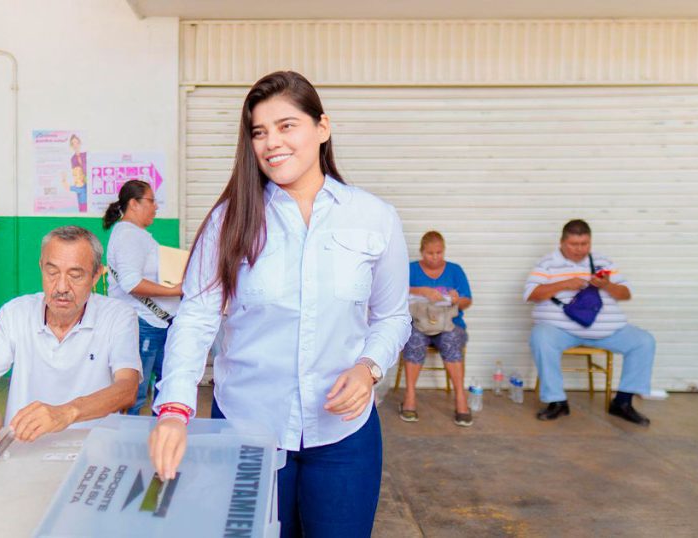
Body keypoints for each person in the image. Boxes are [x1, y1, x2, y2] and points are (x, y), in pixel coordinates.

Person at [148, 71, 411, 537]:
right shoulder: (229, 221)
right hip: (249, 429)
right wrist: (174, 407)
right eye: (259, 131)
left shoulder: (374, 217)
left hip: (344, 436)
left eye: (287, 125)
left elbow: (392, 316)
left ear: (322, 128)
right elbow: (196, 319)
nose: (272, 142)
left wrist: (369, 367)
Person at [0, 226, 141, 444]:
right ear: (41, 267)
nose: (61, 286)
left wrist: (67, 413)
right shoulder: (14, 313)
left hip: (93, 447)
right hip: (24, 446)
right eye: (52, 273)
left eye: (75, 275)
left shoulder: (118, 316)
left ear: (96, 275)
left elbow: (127, 388)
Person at [525, 219, 656, 425]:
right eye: (574, 244)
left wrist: (607, 285)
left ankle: (623, 402)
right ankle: (557, 402)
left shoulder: (604, 262)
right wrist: (565, 284)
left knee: (644, 341)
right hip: (562, 330)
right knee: (540, 337)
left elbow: (625, 293)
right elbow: (532, 294)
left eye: (584, 244)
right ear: (562, 243)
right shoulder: (547, 264)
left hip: (607, 330)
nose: (579, 249)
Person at [102, 180, 181, 415]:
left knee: (166, 386)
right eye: (151, 201)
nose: (156, 207)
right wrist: (175, 290)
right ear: (133, 204)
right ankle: (126, 447)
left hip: (154, 323)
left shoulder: (137, 234)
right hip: (143, 323)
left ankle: (159, 437)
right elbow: (131, 282)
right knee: (134, 394)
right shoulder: (128, 235)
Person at [400, 231, 473, 426]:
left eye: (439, 253)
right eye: (430, 253)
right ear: (422, 252)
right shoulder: (411, 269)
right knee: (413, 339)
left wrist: (457, 299)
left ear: (444, 251)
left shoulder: (455, 270)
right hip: (418, 323)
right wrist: (419, 290)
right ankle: (410, 397)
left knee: (450, 340)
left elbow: (467, 300)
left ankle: (460, 398)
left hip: (448, 324)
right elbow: (394, 292)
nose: (434, 257)